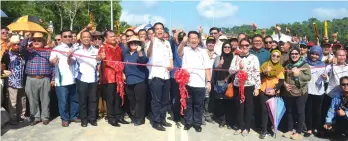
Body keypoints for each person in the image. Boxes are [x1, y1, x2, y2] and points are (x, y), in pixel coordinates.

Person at [178, 31, 211, 132]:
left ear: (199, 40)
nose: (193, 40)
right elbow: (179, 52)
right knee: (187, 104)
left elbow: (207, 68)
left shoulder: (203, 51)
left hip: (200, 83)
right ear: (188, 39)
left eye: (195, 38)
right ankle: (188, 123)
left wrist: (208, 81)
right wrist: (183, 43)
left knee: (198, 105)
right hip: (187, 83)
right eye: (191, 38)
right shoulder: (185, 49)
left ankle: (197, 123)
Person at [229, 38, 261, 136]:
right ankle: (240, 126)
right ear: (239, 46)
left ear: (249, 46)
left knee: (248, 107)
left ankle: (247, 127)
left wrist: (257, 87)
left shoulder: (254, 57)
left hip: (249, 85)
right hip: (238, 85)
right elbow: (230, 70)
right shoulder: (236, 57)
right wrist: (239, 67)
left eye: (247, 45)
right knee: (239, 107)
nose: (245, 47)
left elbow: (257, 73)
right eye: (242, 45)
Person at [98, 30, 129, 127]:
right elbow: (103, 60)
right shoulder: (103, 47)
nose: (113, 38)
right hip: (109, 76)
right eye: (110, 37)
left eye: (114, 36)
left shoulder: (119, 47)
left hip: (118, 76)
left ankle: (119, 116)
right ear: (106, 38)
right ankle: (111, 118)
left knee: (118, 97)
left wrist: (122, 71)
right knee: (110, 98)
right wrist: (116, 65)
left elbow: (121, 60)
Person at [50, 29, 80, 127]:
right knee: (63, 101)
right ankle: (65, 118)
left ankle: (73, 116)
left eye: (69, 36)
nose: (68, 38)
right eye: (65, 36)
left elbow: (71, 62)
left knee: (74, 100)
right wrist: (54, 61)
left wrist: (69, 57)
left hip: (74, 79)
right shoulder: (56, 49)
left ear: (72, 37)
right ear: (61, 38)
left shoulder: (76, 48)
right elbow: (52, 61)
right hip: (61, 80)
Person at [146, 22, 173, 131]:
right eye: (157, 29)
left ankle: (162, 119)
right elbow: (148, 54)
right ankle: (156, 121)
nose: (160, 30)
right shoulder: (151, 42)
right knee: (156, 101)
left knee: (165, 100)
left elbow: (170, 56)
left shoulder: (167, 43)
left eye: (161, 28)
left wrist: (171, 64)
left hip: (166, 75)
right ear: (154, 31)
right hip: (155, 76)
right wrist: (152, 43)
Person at [24, 32, 54, 126]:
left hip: (45, 78)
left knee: (45, 99)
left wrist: (53, 79)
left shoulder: (49, 51)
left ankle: (45, 117)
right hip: (31, 79)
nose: (36, 42)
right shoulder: (28, 51)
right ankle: (36, 117)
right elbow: (20, 48)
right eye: (34, 40)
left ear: (43, 42)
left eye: (39, 40)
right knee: (32, 100)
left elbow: (53, 66)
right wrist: (26, 38)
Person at [74, 31, 103, 127]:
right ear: (81, 39)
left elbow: (99, 63)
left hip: (93, 79)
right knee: (82, 101)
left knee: (93, 100)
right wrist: (69, 56)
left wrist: (100, 58)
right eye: (84, 37)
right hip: (81, 78)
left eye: (88, 37)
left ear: (90, 38)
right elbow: (70, 62)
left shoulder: (95, 50)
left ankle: (93, 119)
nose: (86, 38)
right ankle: (84, 120)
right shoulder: (76, 50)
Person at [282, 47, 311, 140]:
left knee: (300, 111)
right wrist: (285, 84)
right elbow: (282, 77)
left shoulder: (304, 64)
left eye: (296, 54)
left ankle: (298, 132)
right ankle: (290, 130)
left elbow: (308, 77)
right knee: (289, 111)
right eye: (292, 54)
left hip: (301, 92)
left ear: (299, 55)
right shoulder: (286, 64)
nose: (294, 55)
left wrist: (299, 74)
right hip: (289, 91)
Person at [122, 36, 148, 126]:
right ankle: (134, 116)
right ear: (129, 45)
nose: (133, 45)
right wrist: (123, 73)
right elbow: (123, 66)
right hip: (129, 81)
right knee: (131, 100)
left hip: (140, 80)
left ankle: (140, 119)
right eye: (132, 43)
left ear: (139, 44)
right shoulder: (126, 55)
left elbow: (143, 61)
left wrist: (140, 51)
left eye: (136, 43)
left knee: (140, 101)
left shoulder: (141, 53)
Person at [259, 49, 285, 139]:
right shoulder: (265, 65)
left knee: (272, 110)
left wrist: (275, 89)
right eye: (273, 55)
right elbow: (259, 77)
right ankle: (264, 130)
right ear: (271, 56)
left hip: (274, 92)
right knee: (264, 111)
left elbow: (281, 81)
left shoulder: (280, 68)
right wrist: (265, 71)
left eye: (278, 56)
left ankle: (270, 128)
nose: (275, 57)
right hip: (263, 90)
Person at [2, 35, 26, 125]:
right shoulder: (7, 54)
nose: (16, 46)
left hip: (21, 81)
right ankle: (13, 118)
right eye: (14, 44)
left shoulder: (22, 54)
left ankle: (21, 116)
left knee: (22, 101)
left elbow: (25, 45)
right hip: (12, 82)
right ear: (11, 45)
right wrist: (8, 45)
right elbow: (3, 57)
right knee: (13, 102)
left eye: (18, 44)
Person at [304, 46, 327, 137]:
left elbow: (326, 79)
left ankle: (316, 127)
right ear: (310, 54)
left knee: (317, 111)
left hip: (319, 91)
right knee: (308, 110)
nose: (314, 56)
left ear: (320, 55)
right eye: (313, 53)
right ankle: (309, 129)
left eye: (317, 54)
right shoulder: (305, 63)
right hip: (308, 90)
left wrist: (325, 77)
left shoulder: (323, 65)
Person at [212, 41, 234, 128]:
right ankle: (222, 120)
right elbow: (215, 69)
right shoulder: (218, 57)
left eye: (229, 47)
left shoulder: (234, 57)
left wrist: (229, 78)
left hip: (231, 83)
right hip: (220, 83)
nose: (227, 48)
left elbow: (235, 70)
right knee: (220, 102)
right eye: (225, 47)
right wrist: (219, 65)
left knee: (229, 102)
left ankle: (229, 121)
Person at [169, 29, 183, 127]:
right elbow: (173, 41)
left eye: (183, 39)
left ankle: (184, 115)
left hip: (187, 76)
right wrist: (175, 35)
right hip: (175, 76)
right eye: (180, 38)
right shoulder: (174, 47)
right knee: (176, 97)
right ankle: (177, 117)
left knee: (185, 97)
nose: (181, 40)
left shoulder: (189, 48)